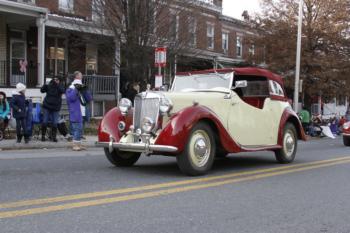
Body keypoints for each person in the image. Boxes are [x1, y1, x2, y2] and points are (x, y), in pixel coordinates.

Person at [66, 71, 87, 151]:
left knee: (80, 128)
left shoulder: (79, 88)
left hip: (81, 110)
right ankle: (75, 145)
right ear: (76, 76)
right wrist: (76, 89)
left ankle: (79, 144)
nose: (82, 77)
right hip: (75, 111)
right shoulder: (71, 88)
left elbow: (87, 98)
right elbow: (71, 98)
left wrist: (85, 90)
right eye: (80, 75)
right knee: (77, 128)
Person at [40, 77, 65, 142]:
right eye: (54, 79)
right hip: (47, 106)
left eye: (57, 79)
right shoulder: (49, 85)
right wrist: (45, 84)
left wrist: (57, 84)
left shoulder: (60, 86)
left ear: (59, 81)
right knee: (45, 121)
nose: (55, 81)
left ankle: (54, 137)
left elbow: (62, 91)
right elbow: (42, 90)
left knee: (55, 123)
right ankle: (43, 136)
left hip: (56, 107)